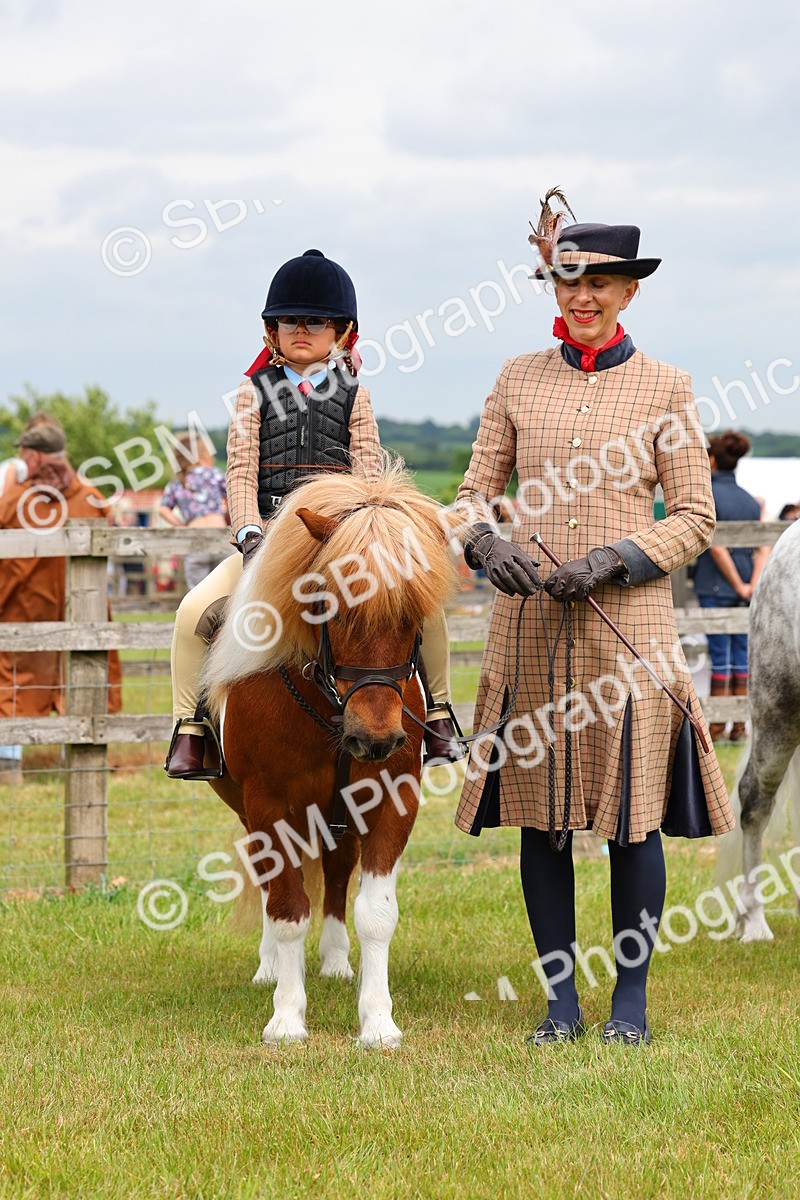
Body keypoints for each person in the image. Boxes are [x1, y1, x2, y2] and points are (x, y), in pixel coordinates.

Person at [454, 194, 734, 1046]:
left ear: (628, 293)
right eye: (569, 278)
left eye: (600, 282)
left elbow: (693, 516)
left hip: (630, 635)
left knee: (629, 821)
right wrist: (481, 542)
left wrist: (614, 560)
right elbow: (469, 494)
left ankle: (631, 1006)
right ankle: (560, 1005)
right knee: (542, 821)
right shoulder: (514, 377)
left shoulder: (668, 388)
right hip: (530, 631)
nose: (583, 296)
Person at [165, 249, 462, 778]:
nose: (300, 330)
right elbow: (240, 473)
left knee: (428, 612)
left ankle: (438, 715)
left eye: (315, 321)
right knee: (193, 612)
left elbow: (370, 475)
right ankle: (192, 728)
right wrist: (250, 533)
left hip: (343, 544)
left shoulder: (355, 395)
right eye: (287, 321)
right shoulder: (251, 394)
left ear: (342, 332)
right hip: (268, 546)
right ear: (270, 330)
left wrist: (368, 534)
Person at [0, 422, 122, 735]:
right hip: (65, 611)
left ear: (35, 458)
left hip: (29, 611)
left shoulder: (13, 502)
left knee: (17, 684)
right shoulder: (93, 498)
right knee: (68, 680)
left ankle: (13, 760)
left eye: (26, 456)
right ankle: (21, 759)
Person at [693, 431, 770, 742]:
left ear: (711, 459)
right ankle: (738, 725)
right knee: (741, 655)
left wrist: (736, 584)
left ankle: (715, 724)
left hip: (716, 585)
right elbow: (763, 545)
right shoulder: (750, 500)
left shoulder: (707, 495)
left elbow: (716, 546)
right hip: (748, 588)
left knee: (718, 655)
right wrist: (751, 584)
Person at [158, 432, 229, 588]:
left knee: (198, 597)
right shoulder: (214, 474)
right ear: (202, 454)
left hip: (195, 542)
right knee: (227, 593)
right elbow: (232, 498)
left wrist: (182, 526)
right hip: (221, 538)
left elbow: (163, 510)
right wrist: (227, 518)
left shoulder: (177, 483)